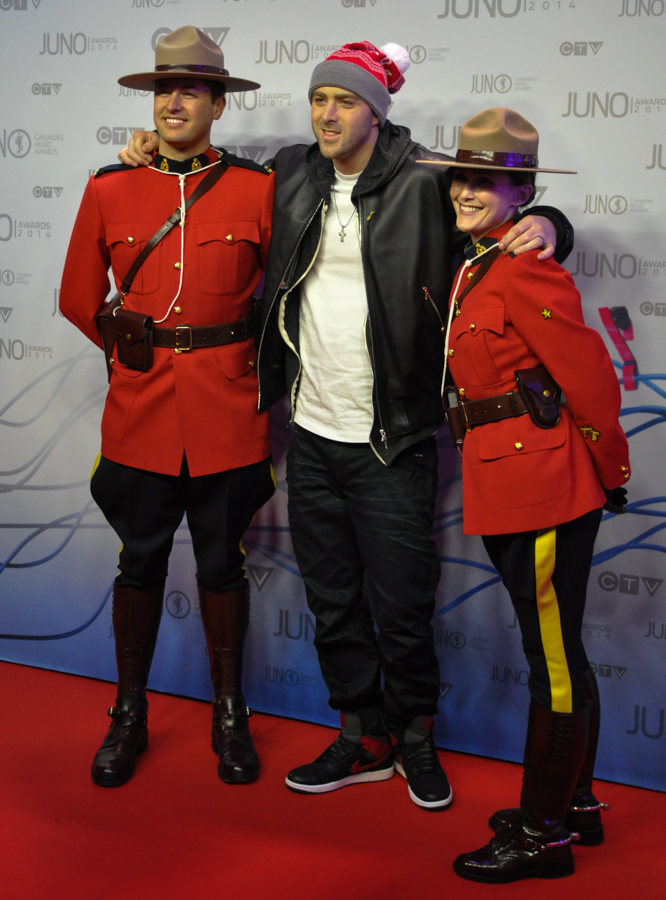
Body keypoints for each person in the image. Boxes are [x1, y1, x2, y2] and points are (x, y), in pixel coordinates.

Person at [118, 42, 574, 811]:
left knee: (401, 601)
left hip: (392, 435)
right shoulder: (292, 173)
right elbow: (204, 176)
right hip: (311, 431)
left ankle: (416, 738)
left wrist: (554, 224)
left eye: (346, 101)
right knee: (332, 599)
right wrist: (142, 149)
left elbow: (499, 204)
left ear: (377, 110)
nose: (328, 113)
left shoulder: (425, 180)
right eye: (319, 98)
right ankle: (363, 734)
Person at [59, 27, 275, 788]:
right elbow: (78, 299)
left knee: (222, 566)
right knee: (139, 561)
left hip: (228, 412)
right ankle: (128, 713)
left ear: (220, 102)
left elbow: (285, 297)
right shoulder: (110, 186)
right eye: (162, 91)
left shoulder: (258, 188)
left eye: (190, 89)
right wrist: (134, 357)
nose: (173, 102)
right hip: (141, 413)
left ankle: (229, 712)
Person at [420, 107, 630, 881]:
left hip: (545, 484)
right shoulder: (476, 260)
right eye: (463, 177)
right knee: (561, 653)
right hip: (507, 476)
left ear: (522, 192)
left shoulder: (525, 266)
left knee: (553, 664)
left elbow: (589, 380)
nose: (468, 192)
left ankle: (543, 836)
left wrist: (610, 473)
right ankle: (573, 805)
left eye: (489, 181)